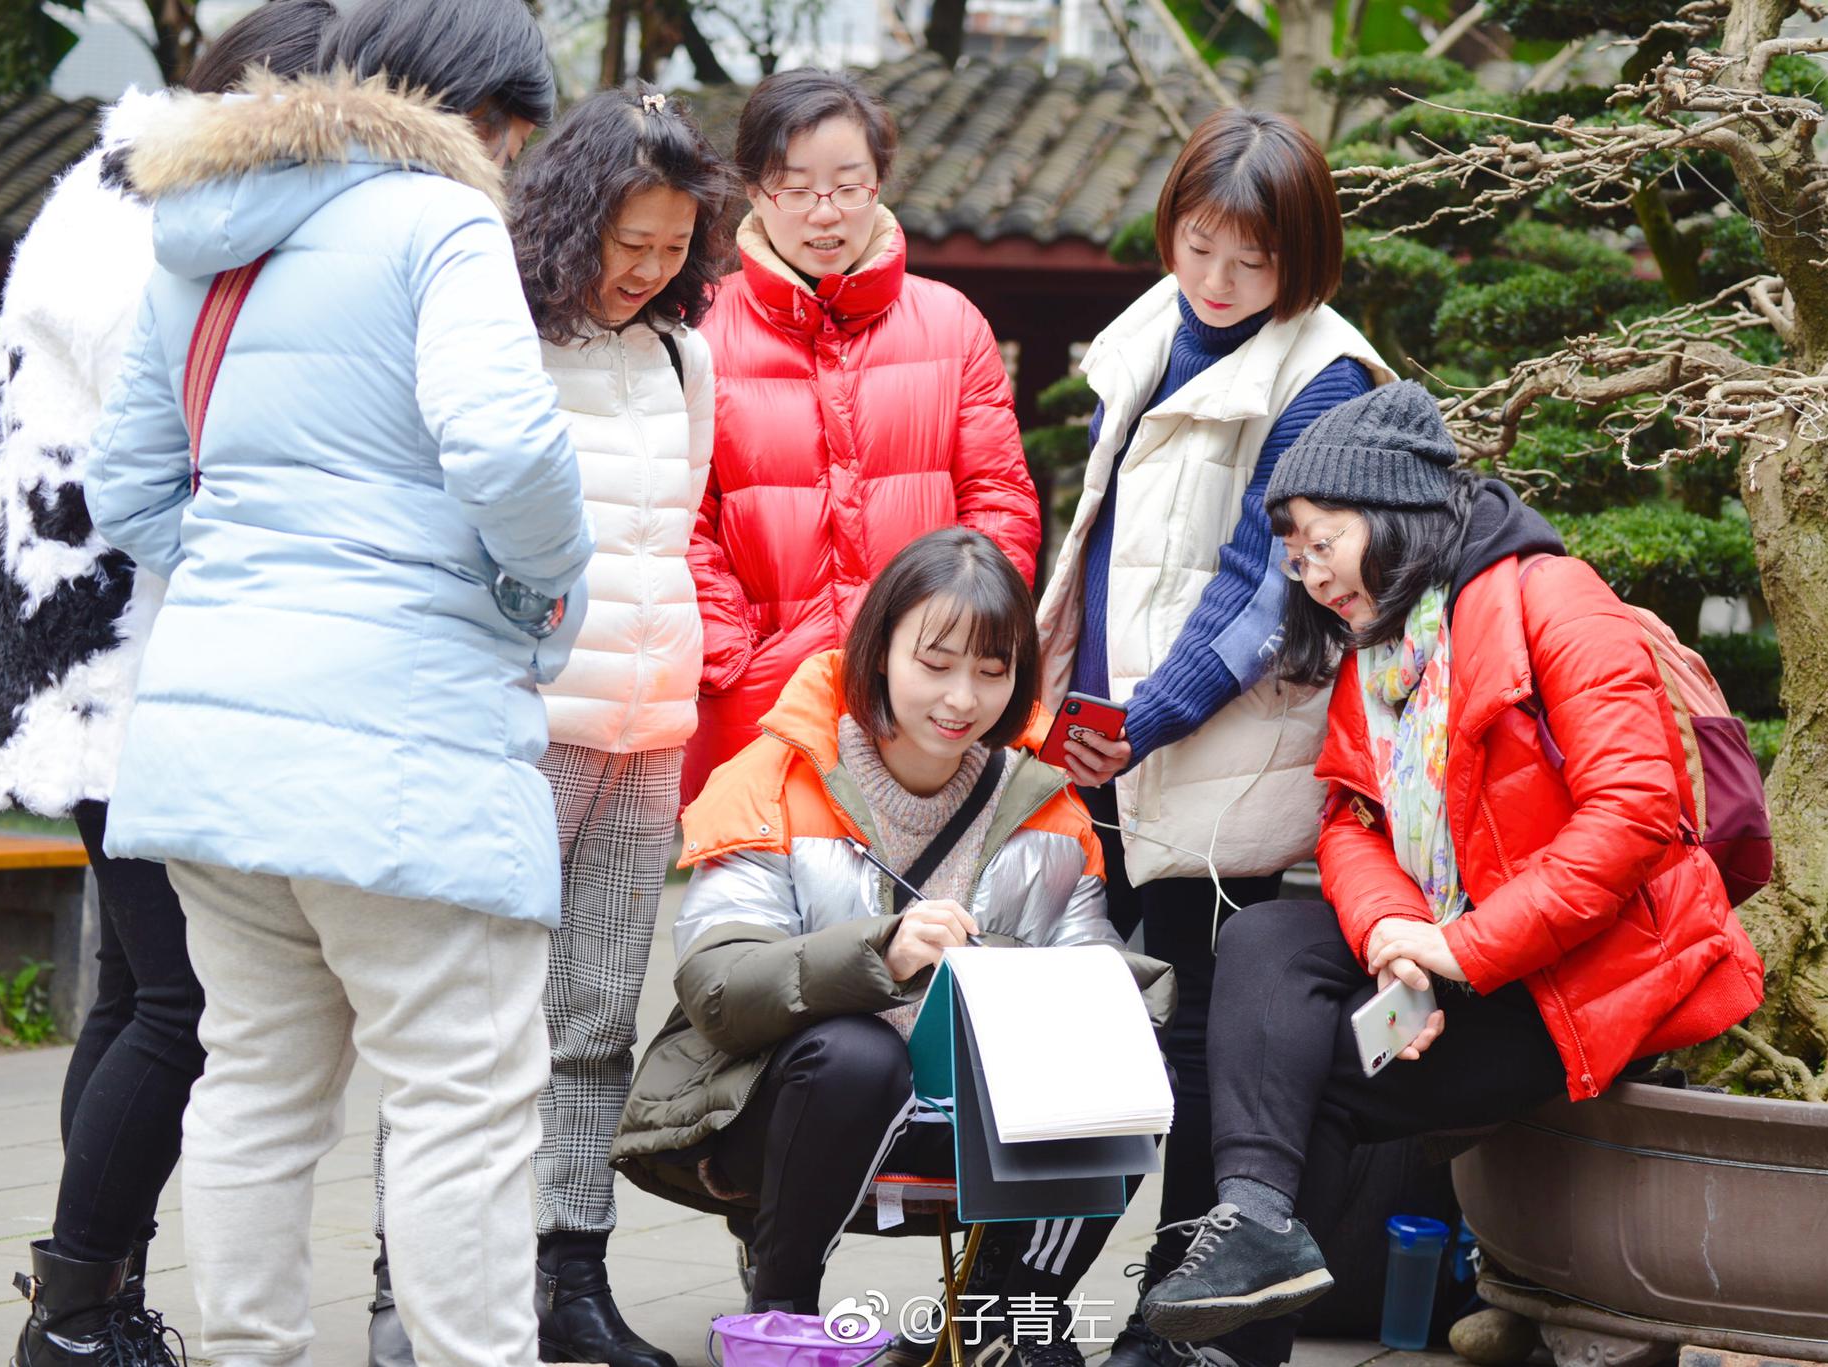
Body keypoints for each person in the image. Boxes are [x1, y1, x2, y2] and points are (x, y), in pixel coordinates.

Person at [81, 0, 591, 1363]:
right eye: (516, 133)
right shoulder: (442, 219)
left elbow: (125, 486)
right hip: (404, 736)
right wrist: (541, 588)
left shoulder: (206, 238)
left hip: (216, 741)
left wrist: (254, 577)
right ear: (480, 114)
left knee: (253, 1079)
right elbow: (504, 448)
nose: (514, 161)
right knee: (462, 1095)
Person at [1136, 382, 1766, 1355]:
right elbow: (1348, 816)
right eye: (1295, 554)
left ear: (1391, 511)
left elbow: (1634, 812)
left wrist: (1459, 948)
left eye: (1322, 542)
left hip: (1577, 980)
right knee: (1264, 937)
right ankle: (1253, 1224)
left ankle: (1218, 1340)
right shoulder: (1381, 646)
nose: (1310, 574)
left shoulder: (1552, 597)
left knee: (1310, 1070)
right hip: (1452, 950)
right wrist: (1395, 935)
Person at [0, 6, 336, 1364]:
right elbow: (178, 429)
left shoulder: (133, 190)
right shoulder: (144, 215)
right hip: (108, 653)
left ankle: (92, 1298)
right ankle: (76, 1308)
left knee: (134, 992)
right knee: (184, 999)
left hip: (90, 651)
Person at [362, 81, 733, 1367]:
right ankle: (409, 1286)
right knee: (465, 1020)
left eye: (674, 246)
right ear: (571, 220)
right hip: (517, 726)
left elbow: (671, 534)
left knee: (594, 1017)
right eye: (629, 242)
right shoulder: (497, 338)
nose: (649, 269)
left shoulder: (683, 357)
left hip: (648, 726)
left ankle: (569, 1273)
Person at [611, 529, 1172, 1367]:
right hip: (775, 1112)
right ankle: (783, 1317)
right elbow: (718, 988)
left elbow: (1095, 977)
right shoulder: (775, 777)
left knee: (1123, 1073)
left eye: (993, 670)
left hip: (972, 1121)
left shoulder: (1049, 814)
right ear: (878, 654)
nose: (962, 697)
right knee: (856, 1052)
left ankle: (1003, 1314)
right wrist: (883, 951)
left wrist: (1047, 984)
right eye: (935, 663)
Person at [1031, 108, 1391, 1367]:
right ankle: (1031, 1307)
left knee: (1195, 1040)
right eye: (1198, 246)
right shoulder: (1149, 326)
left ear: (1304, 255)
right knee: (1085, 1023)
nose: (1219, 280)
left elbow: (1262, 586)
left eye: (1253, 259)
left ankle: (1173, 1320)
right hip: (1107, 743)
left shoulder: (1324, 375)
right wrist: (1069, 703)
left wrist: (1141, 721)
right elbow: (1100, 535)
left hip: (1221, 758)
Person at [684, 68, 1041, 801]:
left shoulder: (951, 324)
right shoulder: (700, 333)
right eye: (796, 188)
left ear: (878, 183)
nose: (826, 214)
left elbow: (999, 500)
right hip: (763, 700)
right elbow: (677, 520)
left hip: (928, 701)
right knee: (760, 873)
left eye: (848, 186)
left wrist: (961, 649)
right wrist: (734, 656)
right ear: (754, 190)